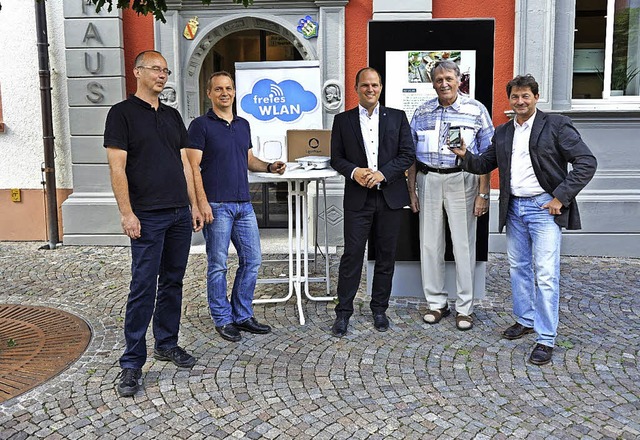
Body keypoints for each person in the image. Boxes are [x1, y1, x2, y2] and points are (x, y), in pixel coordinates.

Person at [450, 74, 597, 365]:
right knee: (518, 268)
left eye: (525, 96)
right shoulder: (504, 132)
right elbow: (483, 163)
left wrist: (560, 197)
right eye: (515, 97)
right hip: (515, 209)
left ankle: (545, 338)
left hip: (544, 209)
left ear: (535, 97)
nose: (520, 101)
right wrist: (465, 154)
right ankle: (525, 319)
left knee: (545, 274)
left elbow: (586, 162)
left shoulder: (555, 125)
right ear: (510, 100)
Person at [104, 50, 203, 397]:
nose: (162, 75)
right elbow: (117, 168)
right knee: (143, 286)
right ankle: (132, 363)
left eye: (166, 70)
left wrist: (192, 205)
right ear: (137, 72)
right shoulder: (121, 115)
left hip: (178, 213)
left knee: (173, 281)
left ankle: (167, 342)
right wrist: (126, 213)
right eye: (156, 69)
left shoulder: (173, 116)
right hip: (146, 216)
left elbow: (186, 165)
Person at [186, 71, 286, 343]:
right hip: (216, 206)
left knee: (252, 261)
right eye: (218, 88)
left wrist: (268, 167)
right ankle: (222, 318)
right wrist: (201, 202)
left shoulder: (243, 124)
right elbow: (192, 166)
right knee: (218, 264)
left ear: (234, 92)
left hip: (244, 204)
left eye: (228, 88)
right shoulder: (200, 126)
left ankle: (242, 314)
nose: (224, 93)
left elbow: (248, 159)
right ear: (209, 93)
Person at [406, 60, 494, 331]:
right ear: (432, 83)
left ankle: (465, 308)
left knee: (463, 245)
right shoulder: (421, 112)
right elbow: (409, 155)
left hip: (463, 180)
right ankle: (436, 303)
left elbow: (488, 156)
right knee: (430, 244)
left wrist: (484, 193)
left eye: (449, 78)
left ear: (459, 80)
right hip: (428, 178)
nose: (444, 83)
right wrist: (412, 190)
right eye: (438, 79)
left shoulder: (476, 110)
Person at [330, 67, 415, 337]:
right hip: (358, 198)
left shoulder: (398, 118)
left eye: (375, 85)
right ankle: (343, 313)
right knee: (352, 255)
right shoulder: (342, 121)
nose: (370, 89)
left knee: (386, 256)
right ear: (356, 88)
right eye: (365, 85)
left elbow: (407, 154)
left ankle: (380, 309)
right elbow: (337, 158)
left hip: (390, 196)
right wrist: (355, 172)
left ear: (381, 87)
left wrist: (383, 173)